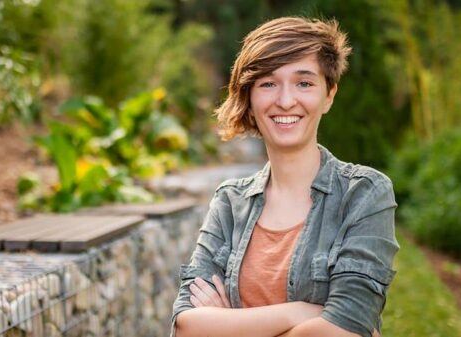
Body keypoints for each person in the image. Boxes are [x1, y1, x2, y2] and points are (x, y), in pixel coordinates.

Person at [170, 17, 398, 337]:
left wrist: (227, 325)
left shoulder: (363, 193)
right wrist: (300, 312)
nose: (286, 100)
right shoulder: (229, 201)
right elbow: (186, 327)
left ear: (329, 94)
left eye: (304, 83)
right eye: (268, 83)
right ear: (249, 97)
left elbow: (346, 327)